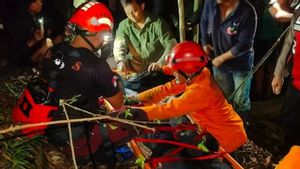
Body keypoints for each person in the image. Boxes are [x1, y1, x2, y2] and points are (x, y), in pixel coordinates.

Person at [12, 2, 126, 166]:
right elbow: (118, 103)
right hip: (72, 139)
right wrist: (112, 82)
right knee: (131, 125)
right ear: (100, 33)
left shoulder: (55, 49)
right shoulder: (98, 66)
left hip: (44, 127)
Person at [117, 41, 248, 153]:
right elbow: (166, 88)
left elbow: (167, 109)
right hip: (223, 129)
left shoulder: (200, 91)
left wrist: (135, 113)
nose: (173, 74)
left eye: (175, 71)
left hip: (227, 139)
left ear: (188, 71)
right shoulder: (199, 73)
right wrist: (135, 99)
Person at [200, 0, 257, 121]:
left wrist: (221, 58)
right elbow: (204, 21)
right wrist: (205, 42)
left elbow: (244, 44)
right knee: (224, 97)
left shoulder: (247, 11)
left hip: (241, 64)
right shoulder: (210, 3)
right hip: (219, 62)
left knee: (241, 100)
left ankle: (241, 128)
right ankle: (227, 127)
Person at [113, 0, 177, 75]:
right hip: (136, 72)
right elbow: (119, 45)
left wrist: (160, 63)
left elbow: (172, 44)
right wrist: (120, 61)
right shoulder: (124, 26)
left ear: (142, 6)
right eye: (128, 13)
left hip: (158, 71)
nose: (132, 16)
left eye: (135, 11)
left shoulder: (157, 23)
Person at [272, 0, 300, 155]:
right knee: (289, 118)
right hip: (296, 81)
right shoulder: (298, 10)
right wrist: (278, 73)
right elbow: (289, 41)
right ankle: (288, 155)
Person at [5, 0, 46, 67]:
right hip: (21, 60)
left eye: (41, 2)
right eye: (36, 2)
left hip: (31, 52)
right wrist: (33, 40)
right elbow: (15, 54)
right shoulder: (19, 21)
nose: (40, 4)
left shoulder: (34, 15)